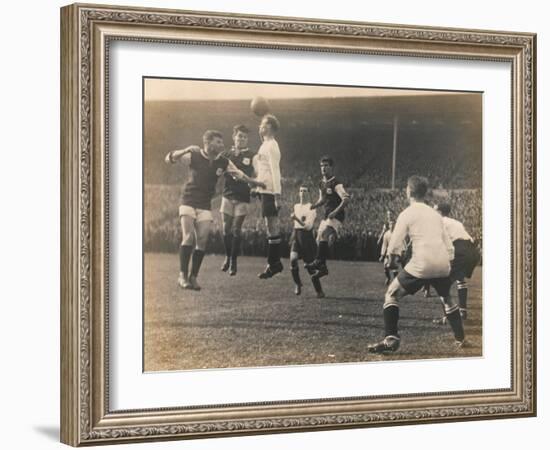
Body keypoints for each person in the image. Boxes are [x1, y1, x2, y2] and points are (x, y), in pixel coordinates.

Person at [367, 176, 465, 354]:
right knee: (447, 298)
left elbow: (396, 240)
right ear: (424, 193)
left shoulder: (407, 213)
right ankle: (460, 337)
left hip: (422, 263)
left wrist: (391, 258)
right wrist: (447, 264)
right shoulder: (436, 215)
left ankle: (391, 338)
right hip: (443, 262)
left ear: (409, 191)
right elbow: (449, 245)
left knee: (391, 294)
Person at [165, 130, 265, 291]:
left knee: (202, 240)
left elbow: (239, 175)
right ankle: (182, 275)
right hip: (188, 201)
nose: (222, 145)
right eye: (218, 142)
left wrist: (257, 183)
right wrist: (185, 149)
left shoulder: (223, 162)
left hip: (205, 204)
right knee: (189, 236)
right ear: (208, 143)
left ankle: (193, 277)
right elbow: (169, 158)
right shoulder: (194, 155)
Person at [432, 202, 481, 323]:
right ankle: (462, 311)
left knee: (442, 284)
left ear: (439, 212)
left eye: (434, 210)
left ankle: (448, 317)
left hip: (459, 249)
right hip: (472, 251)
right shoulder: (456, 222)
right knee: (460, 279)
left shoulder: (438, 221)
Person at [305, 156, 350, 280]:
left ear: (331, 167)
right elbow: (323, 199)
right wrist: (314, 205)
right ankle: (323, 268)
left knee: (325, 234)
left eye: (326, 165)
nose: (323, 168)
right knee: (318, 239)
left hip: (336, 215)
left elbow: (346, 200)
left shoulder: (336, 183)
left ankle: (318, 261)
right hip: (327, 215)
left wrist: (335, 212)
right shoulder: (321, 183)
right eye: (321, 166)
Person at [219, 125, 255, 276]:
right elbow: (219, 169)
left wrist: (254, 185)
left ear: (247, 140)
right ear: (234, 137)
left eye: (244, 137)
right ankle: (227, 256)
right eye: (239, 136)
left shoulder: (252, 155)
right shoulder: (226, 154)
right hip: (227, 195)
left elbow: (257, 173)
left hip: (242, 197)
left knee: (236, 229)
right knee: (226, 228)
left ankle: (233, 261)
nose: (241, 139)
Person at [253, 114, 284, 279]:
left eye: (263, 124)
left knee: (271, 225)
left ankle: (274, 264)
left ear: (270, 127)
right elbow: (263, 171)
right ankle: (275, 263)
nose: (260, 126)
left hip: (271, 191)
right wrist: (257, 188)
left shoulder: (272, 145)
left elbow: (275, 170)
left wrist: (277, 196)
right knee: (269, 225)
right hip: (263, 191)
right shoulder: (264, 145)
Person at [289, 186, 325, 298]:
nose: (302, 193)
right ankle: (297, 283)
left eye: (305, 191)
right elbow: (296, 226)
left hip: (307, 238)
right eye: (300, 191)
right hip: (297, 236)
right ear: (298, 193)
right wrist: (293, 234)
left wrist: (296, 219)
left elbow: (308, 227)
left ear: (308, 194)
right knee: (293, 259)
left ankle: (319, 291)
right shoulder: (296, 206)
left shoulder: (311, 207)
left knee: (310, 267)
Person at [379, 220, 398, 285]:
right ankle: (388, 278)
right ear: (389, 226)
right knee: (385, 266)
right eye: (391, 224)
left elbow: (401, 243)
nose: (392, 226)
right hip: (388, 252)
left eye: (393, 224)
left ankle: (395, 281)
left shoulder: (397, 234)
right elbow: (384, 245)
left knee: (394, 267)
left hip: (395, 253)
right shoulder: (386, 234)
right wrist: (382, 255)